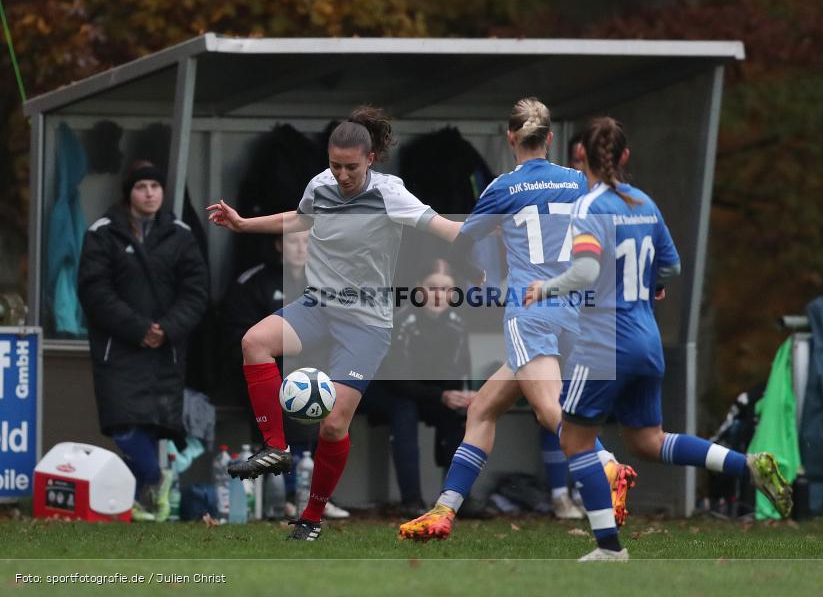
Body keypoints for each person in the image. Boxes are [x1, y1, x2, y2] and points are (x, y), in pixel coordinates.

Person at [523, 116, 793, 561]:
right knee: (648, 441)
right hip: (646, 337)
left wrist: (546, 287)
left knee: (574, 440)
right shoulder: (644, 202)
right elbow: (672, 268)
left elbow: (587, 271)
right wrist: (648, 284)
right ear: (625, 156)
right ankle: (747, 465)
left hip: (605, 341)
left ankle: (609, 549)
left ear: (578, 158)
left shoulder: (591, 208)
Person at [207, 106, 462, 542]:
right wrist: (244, 223)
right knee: (254, 342)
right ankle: (277, 449)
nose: (341, 175)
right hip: (319, 306)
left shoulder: (390, 194)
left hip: (366, 324)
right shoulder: (320, 185)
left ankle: (310, 517)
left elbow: (445, 229)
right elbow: (301, 218)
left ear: (371, 159)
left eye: (351, 167)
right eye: (335, 165)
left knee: (332, 426)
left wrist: (495, 236)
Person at [399, 98, 635, 542]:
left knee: (550, 412)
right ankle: (445, 510)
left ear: (511, 138)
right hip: (575, 312)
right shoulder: (577, 182)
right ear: (550, 138)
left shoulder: (502, 188)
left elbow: (462, 244)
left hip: (531, 314)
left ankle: (608, 468)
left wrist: (471, 273)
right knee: (484, 409)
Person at [77, 162, 209, 521]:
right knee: (124, 425)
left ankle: (136, 504)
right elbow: (94, 291)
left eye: (155, 185)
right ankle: (155, 478)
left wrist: (166, 328)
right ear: (128, 193)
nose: (149, 192)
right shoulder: (102, 233)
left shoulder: (181, 235)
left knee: (150, 426)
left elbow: (197, 293)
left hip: (166, 351)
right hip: (118, 349)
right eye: (141, 187)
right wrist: (140, 329)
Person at [219, 231, 349, 520]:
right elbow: (238, 337)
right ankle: (290, 495)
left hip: (321, 372)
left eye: (307, 242)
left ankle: (316, 496)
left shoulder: (331, 282)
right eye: (294, 241)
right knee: (297, 392)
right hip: (267, 374)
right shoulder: (253, 282)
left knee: (320, 400)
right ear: (279, 244)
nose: (301, 248)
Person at [366, 258, 474, 516]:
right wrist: (442, 395)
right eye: (433, 288)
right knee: (405, 411)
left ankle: (457, 499)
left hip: (433, 396)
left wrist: (461, 396)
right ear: (419, 289)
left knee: (461, 414)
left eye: (446, 289)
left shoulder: (457, 325)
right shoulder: (402, 321)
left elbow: (457, 374)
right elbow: (398, 380)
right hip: (392, 393)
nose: (439, 296)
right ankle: (411, 500)